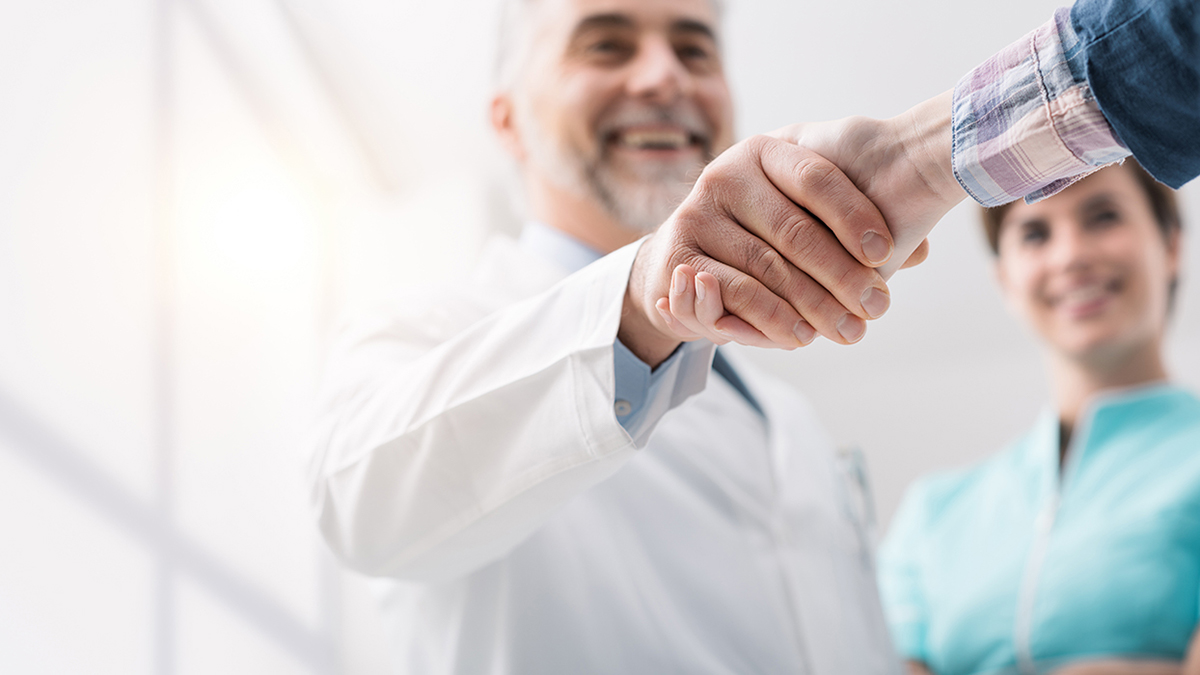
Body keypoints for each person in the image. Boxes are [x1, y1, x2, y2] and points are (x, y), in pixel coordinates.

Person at [308, 0, 1199, 673]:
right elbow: (357, 502)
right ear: (506, 118)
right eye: (606, 43)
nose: (662, 75)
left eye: (694, 48)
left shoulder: (791, 423)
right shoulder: (420, 336)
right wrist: (643, 299)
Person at [875, 161, 1200, 675]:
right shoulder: (932, 515)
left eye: (1104, 216)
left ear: (1172, 245)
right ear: (1004, 279)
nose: (1071, 256)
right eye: (1034, 233)